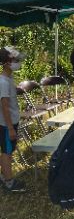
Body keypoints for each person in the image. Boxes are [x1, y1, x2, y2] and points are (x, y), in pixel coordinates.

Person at [0, 46, 27, 193]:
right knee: (7, 151)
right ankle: (9, 182)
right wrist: (10, 128)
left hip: (11, 122)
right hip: (6, 124)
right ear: (6, 63)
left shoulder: (9, 78)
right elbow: (4, 107)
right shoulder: (2, 82)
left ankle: (4, 175)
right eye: (15, 60)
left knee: (8, 150)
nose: (18, 63)